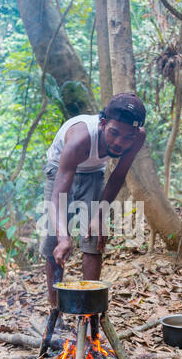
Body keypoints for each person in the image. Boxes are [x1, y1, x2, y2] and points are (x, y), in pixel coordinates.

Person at [38, 93, 146, 345]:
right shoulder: (79, 139)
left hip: (94, 172)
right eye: (114, 133)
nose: (120, 142)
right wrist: (65, 237)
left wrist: (99, 214)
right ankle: (56, 309)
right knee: (55, 239)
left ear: (137, 132)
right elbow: (58, 197)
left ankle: (89, 311)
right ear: (102, 123)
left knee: (94, 237)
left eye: (127, 137)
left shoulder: (137, 137)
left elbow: (118, 176)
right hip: (60, 170)